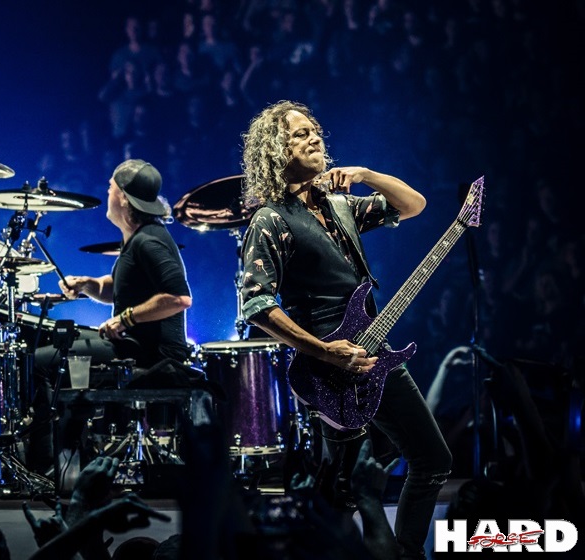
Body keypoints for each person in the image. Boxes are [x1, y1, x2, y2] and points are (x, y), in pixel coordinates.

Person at [237, 100, 452, 559]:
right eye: (300, 134)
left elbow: (413, 204)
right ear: (276, 149)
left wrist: (366, 174)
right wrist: (323, 351)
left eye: (315, 130)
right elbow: (256, 305)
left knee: (432, 460)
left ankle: (406, 554)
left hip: (374, 354)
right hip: (328, 372)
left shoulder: (339, 205)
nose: (314, 137)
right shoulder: (270, 220)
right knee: (343, 490)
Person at [26, 158, 192, 477]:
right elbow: (118, 288)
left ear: (124, 198)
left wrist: (125, 319)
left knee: (42, 363)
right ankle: (72, 456)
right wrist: (87, 284)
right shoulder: (137, 237)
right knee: (61, 346)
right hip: (133, 346)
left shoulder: (150, 241)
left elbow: (178, 298)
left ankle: (46, 465)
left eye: (111, 187)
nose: (107, 191)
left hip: (152, 355)